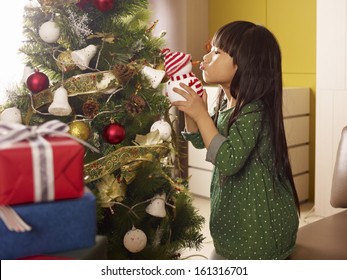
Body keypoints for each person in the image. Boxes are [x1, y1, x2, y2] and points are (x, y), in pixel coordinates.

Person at [171, 21, 300, 260]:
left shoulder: (254, 110)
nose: (205, 57)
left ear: (245, 63)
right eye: (209, 50)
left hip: (260, 229)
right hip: (236, 218)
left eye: (217, 52)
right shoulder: (226, 101)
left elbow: (228, 160)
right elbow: (202, 141)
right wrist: (191, 112)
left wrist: (200, 113)